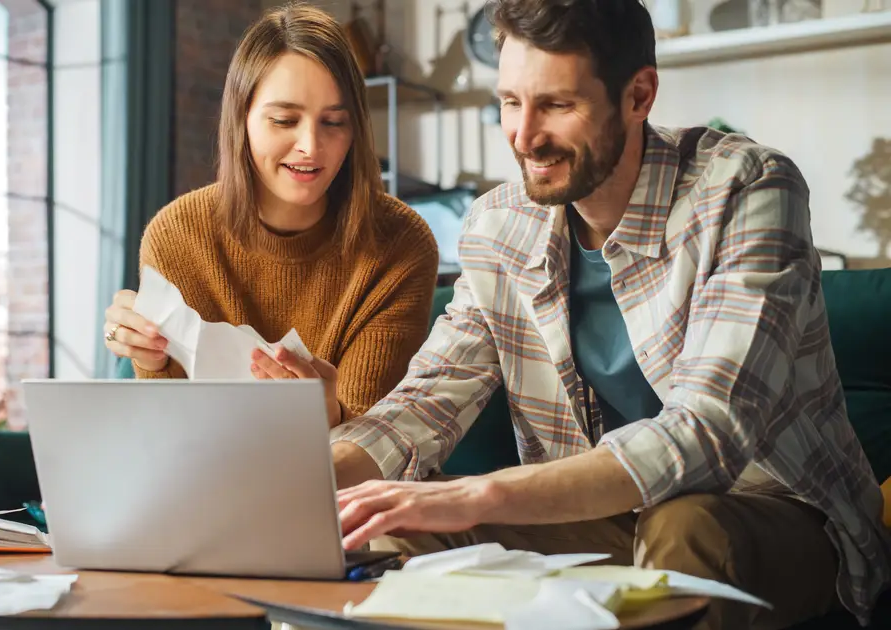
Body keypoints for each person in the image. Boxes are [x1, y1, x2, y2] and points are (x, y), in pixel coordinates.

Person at [328, 0, 891, 628]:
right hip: (596, 520)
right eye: (511, 102)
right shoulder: (497, 225)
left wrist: (479, 492)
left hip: (769, 513)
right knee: (388, 526)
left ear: (639, 95)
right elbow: (424, 405)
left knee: (684, 526)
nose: (523, 136)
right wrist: (300, 476)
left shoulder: (746, 188)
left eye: (557, 105)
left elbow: (707, 432)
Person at [101, 3, 439, 428]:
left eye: (334, 122)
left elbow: (378, 440)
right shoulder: (178, 235)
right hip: (207, 479)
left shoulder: (400, 242)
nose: (311, 146)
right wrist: (143, 350)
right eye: (284, 120)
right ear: (241, 119)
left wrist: (327, 413)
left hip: (349, 485)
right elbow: (170, 427)